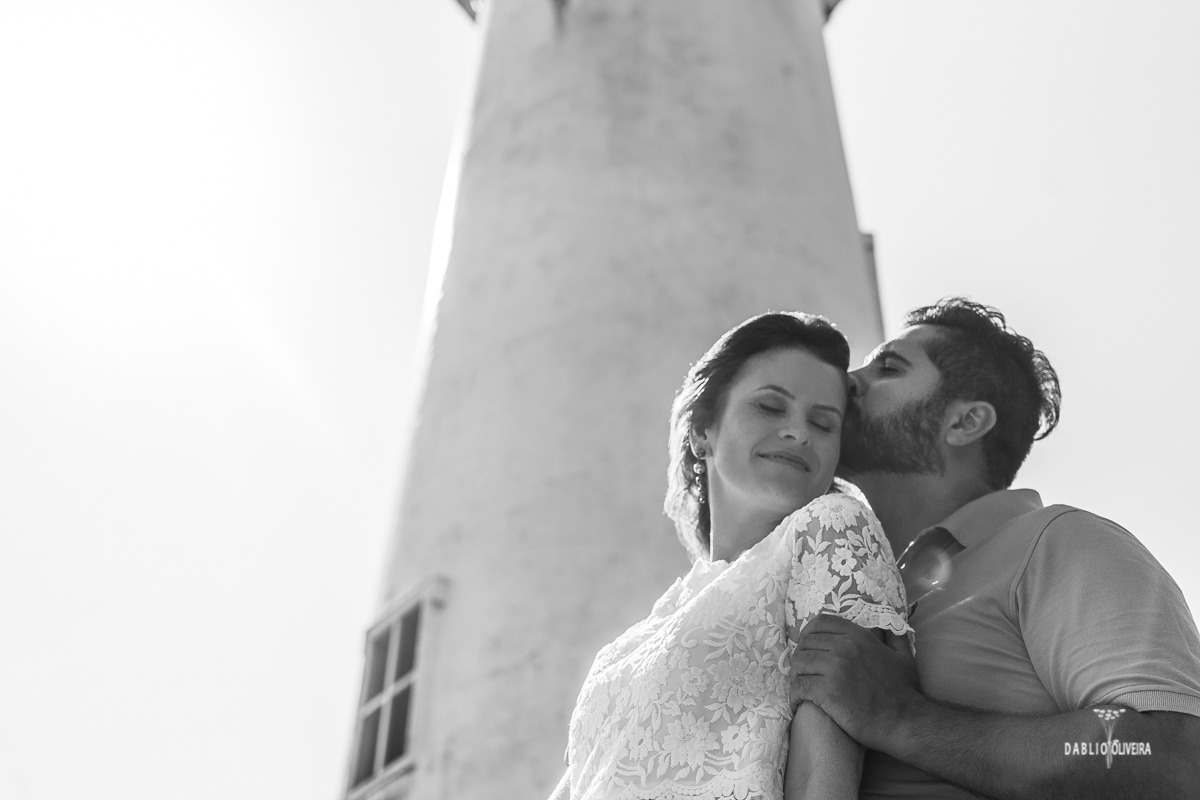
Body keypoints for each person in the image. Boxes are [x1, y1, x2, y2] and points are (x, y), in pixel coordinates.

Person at [792, 297, 1200, 798]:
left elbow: (1168, 753)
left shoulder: (1056, 543)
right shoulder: (856, 580)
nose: (850, 380)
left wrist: (900, 716)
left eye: (889, 369)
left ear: (965, 422)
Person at [549, 312, 912, 800]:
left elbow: (824, 777)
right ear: (702, 429)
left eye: (824, 423)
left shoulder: (830, 529)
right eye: (770, 406)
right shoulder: (628, 644)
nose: (799, 433)